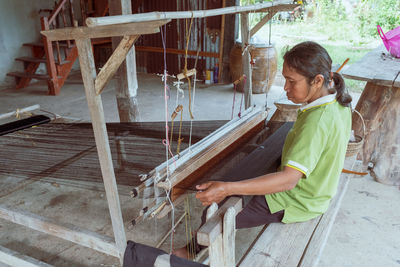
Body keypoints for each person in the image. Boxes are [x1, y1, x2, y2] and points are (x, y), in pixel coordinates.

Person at [174, 41, 352, 258]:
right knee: (240, 180)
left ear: (317, 81)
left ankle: (192, 252)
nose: (285, 87)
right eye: (285, 79)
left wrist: (227, 188)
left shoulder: (317, 122)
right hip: (318, 190)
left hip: (299, 200)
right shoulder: (336, 103)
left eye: (291, 81)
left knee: (214, 215)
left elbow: (288, 181)